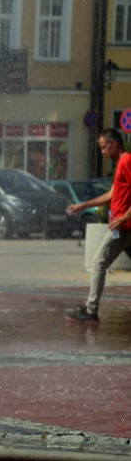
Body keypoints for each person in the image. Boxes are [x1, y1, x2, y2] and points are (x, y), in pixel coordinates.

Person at [66, 128, 131, 322]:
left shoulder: (127, 161)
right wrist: (83, 205)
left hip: (122, 227)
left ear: (114, 144)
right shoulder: (120, 164)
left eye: (104, 147)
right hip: (122, 226)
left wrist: (126, 216)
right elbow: (112, 195)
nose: (102, 152)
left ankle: (91, 310)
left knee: (98, 262)